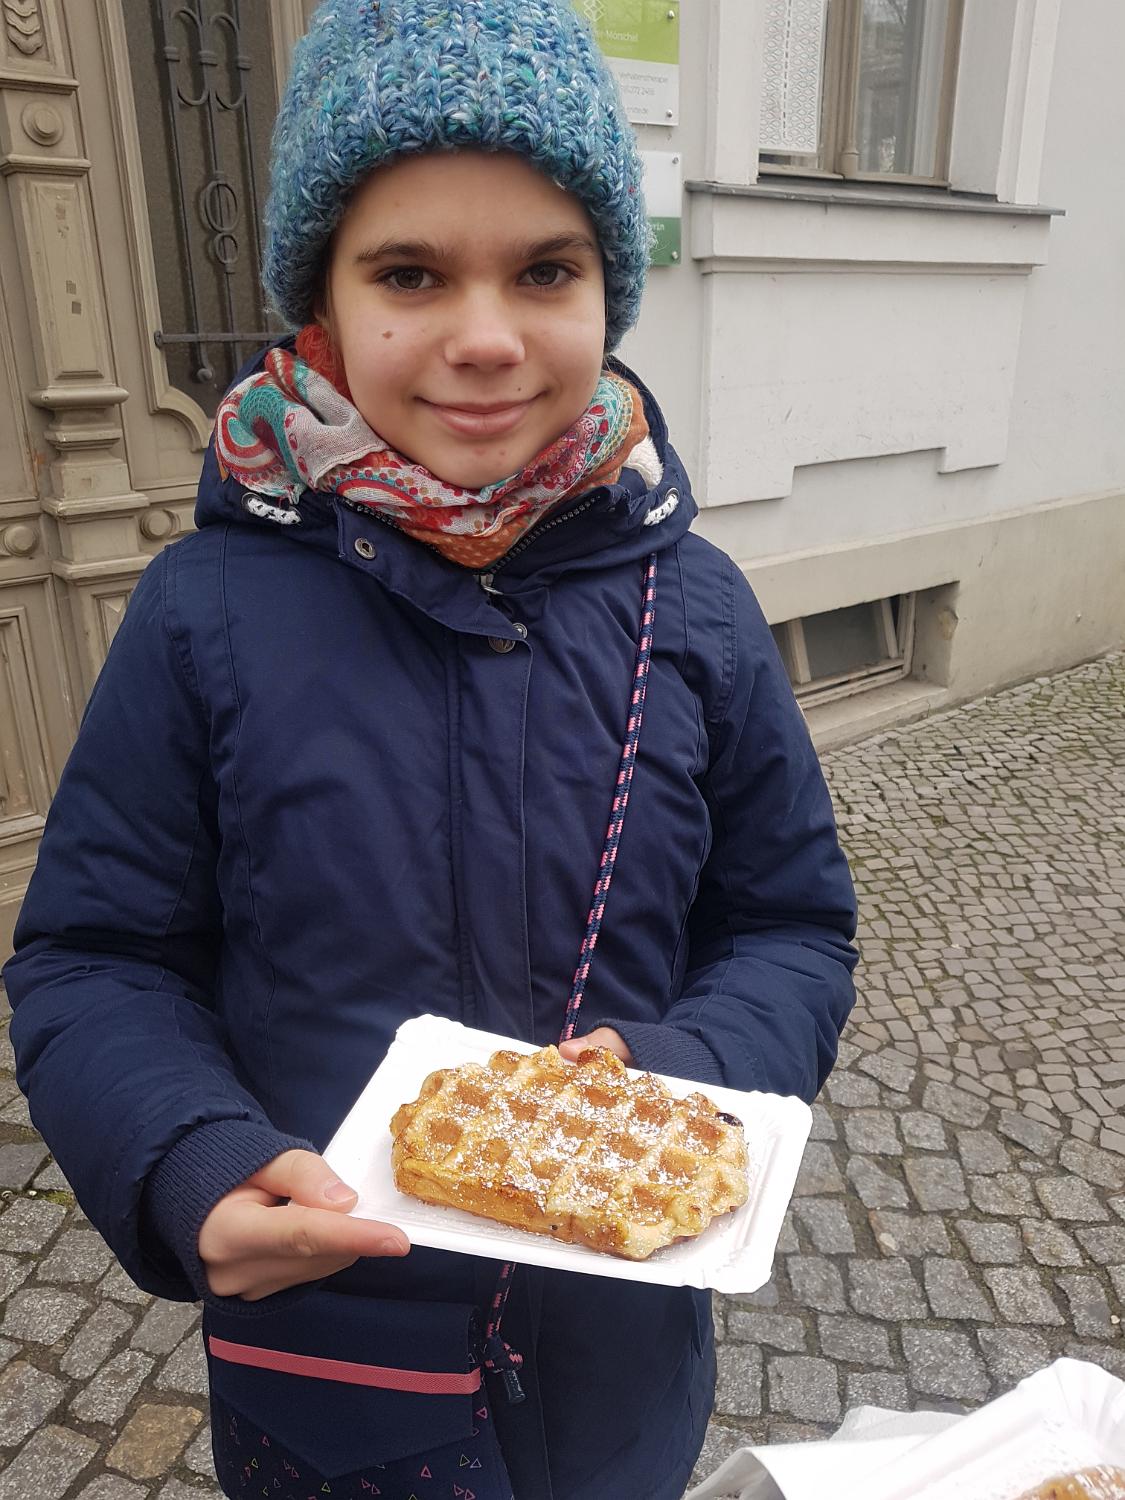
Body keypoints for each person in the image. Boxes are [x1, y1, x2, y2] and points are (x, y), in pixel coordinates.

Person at [3, 2, 859, 1496]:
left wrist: (674, 1081)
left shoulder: (699, 610)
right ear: (323, 303)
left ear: (609, 290)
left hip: (617, 1363)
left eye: (545, 270)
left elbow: (788, 924)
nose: (484, 337)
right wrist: (188, 1156)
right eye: (409, 273)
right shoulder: (207, 610)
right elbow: (96, 958)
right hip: (331, 1375)